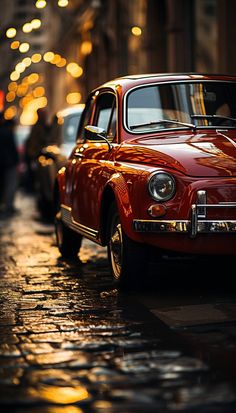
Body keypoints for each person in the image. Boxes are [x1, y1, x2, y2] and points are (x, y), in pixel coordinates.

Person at [24, 108, 49, 192]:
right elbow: (34, 142)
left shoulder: (42, 126)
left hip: (38, 154)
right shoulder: (38, 127)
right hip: (37, 155)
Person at [0, 113, 20, 217]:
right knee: (10, 185)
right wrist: (17, 161)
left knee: (5, 185)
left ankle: (5, 205)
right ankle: (8, 206)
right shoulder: (7, 132)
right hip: (9, 163)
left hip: (4, 164)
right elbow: (12, 149)